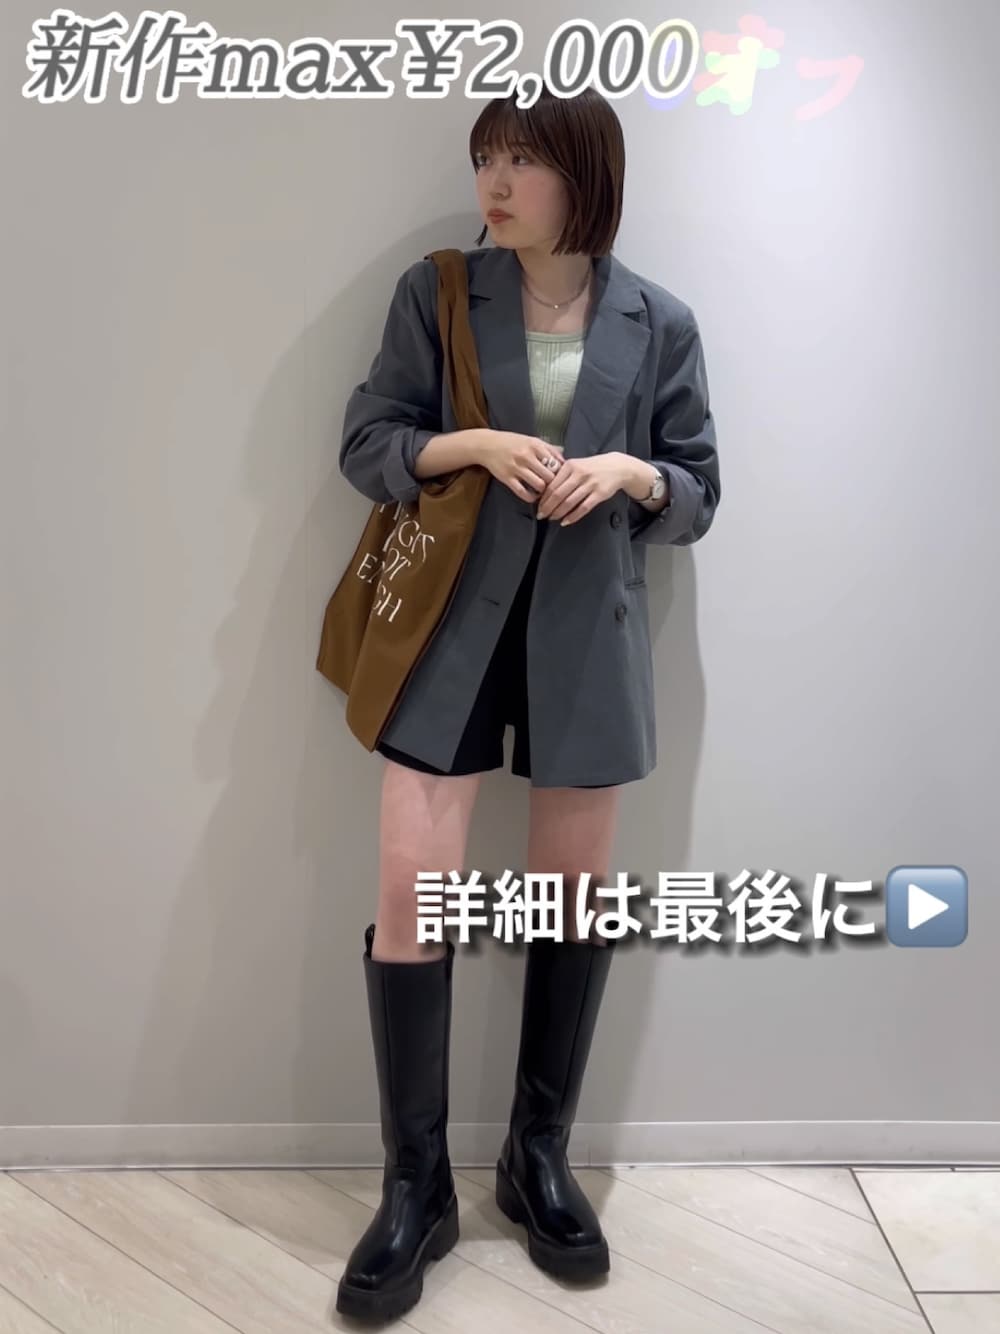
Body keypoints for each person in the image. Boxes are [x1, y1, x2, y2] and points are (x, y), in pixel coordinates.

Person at [334, 84, 721, 1322]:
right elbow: (368, 442)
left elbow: (699, 488)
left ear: (583, 176)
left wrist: (632, 472)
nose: (494, 183)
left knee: (571, 895)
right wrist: (473, 445)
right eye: (486, 158)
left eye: (522, 162)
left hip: (584, 637)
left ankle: (534, 1158)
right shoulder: (440, 291)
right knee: (412, 886)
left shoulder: (659, 320)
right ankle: (414, 1185)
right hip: (450, 630)